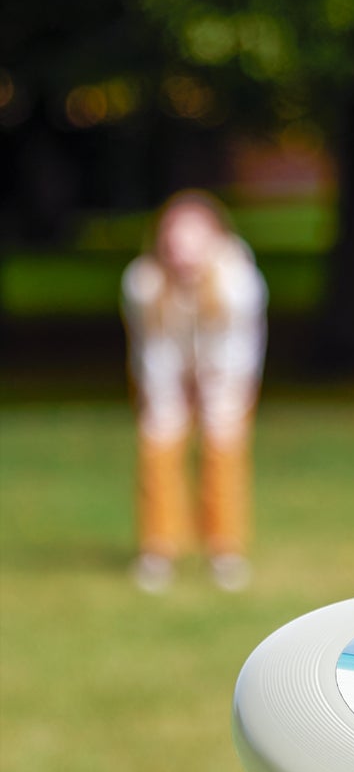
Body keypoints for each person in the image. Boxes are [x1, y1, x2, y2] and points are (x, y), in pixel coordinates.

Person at [121, 190, 268, 593]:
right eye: (174, 239)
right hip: (165, 373)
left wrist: (215, 392)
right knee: (158, 445)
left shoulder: (239, 282)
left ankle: (225, 551)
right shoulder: (143, 282)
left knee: (223, 450)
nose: (182, 250)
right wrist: (168, 398)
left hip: (226, 374)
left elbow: (239, 349)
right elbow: (152, 349)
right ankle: (158, 549)